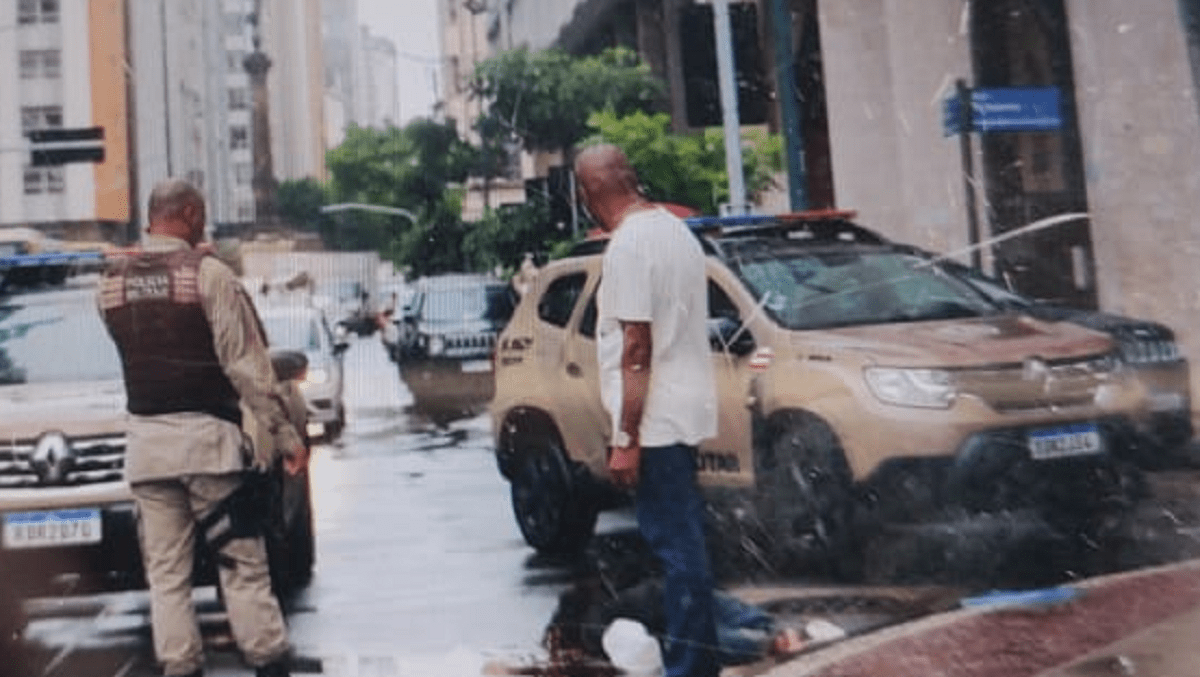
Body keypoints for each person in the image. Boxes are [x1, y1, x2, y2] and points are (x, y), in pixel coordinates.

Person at [98, 179, 308, 677]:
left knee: (166, 576)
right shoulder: (209, 275)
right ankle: (267, 659)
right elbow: (246, 367)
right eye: (203, 214)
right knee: (241, 564)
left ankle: (181, 666)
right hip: (208, 448)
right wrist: (286, 436)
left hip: (147, 451)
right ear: (190, 214)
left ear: (151, 218)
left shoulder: (109, 283)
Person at [575, 144, 721, 677]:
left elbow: (636, 347)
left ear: (590, 192)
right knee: (684, 546)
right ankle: (698, 660)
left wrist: (626, 438)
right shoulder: (674, 231)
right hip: (681, 411)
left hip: (654, 421)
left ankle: (691, 668)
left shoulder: (630, 245)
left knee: (678, 554)